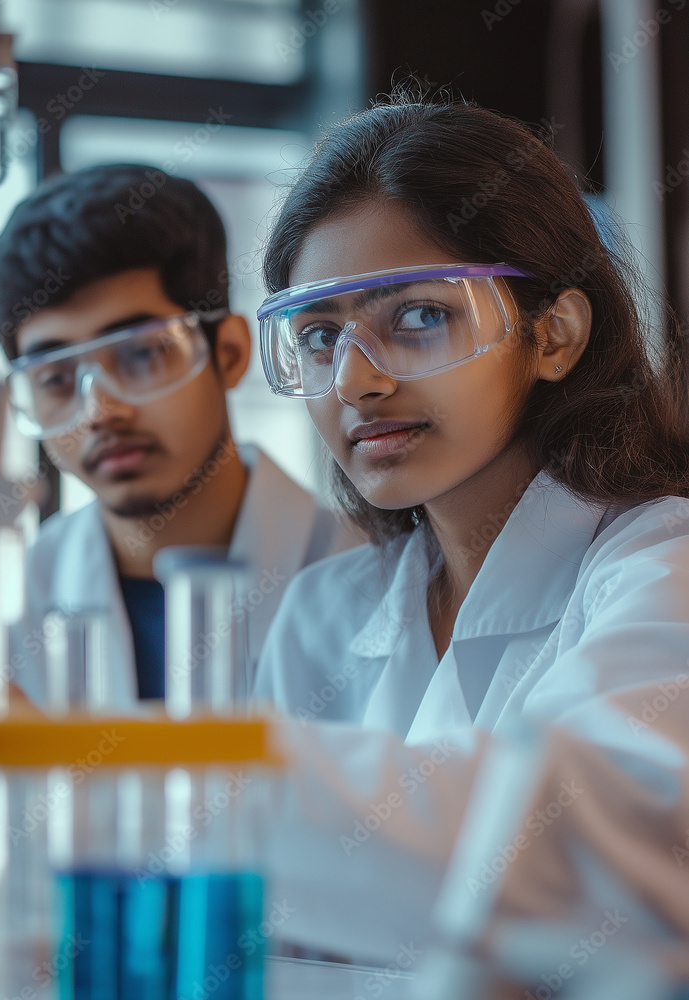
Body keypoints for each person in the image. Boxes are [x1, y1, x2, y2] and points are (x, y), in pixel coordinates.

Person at [246, 97, 689, 967]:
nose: (356, 381)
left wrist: (159, 772)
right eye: (320, 335)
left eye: (417, 316)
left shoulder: (660, 569)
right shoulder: (322, 613)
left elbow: (589, 860)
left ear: (553, 334)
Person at [0, 164, 360, 709]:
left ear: (228, 352)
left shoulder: (366, 577)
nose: (99, 410)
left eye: (141, 354)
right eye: (56, 379)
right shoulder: (19, 605)